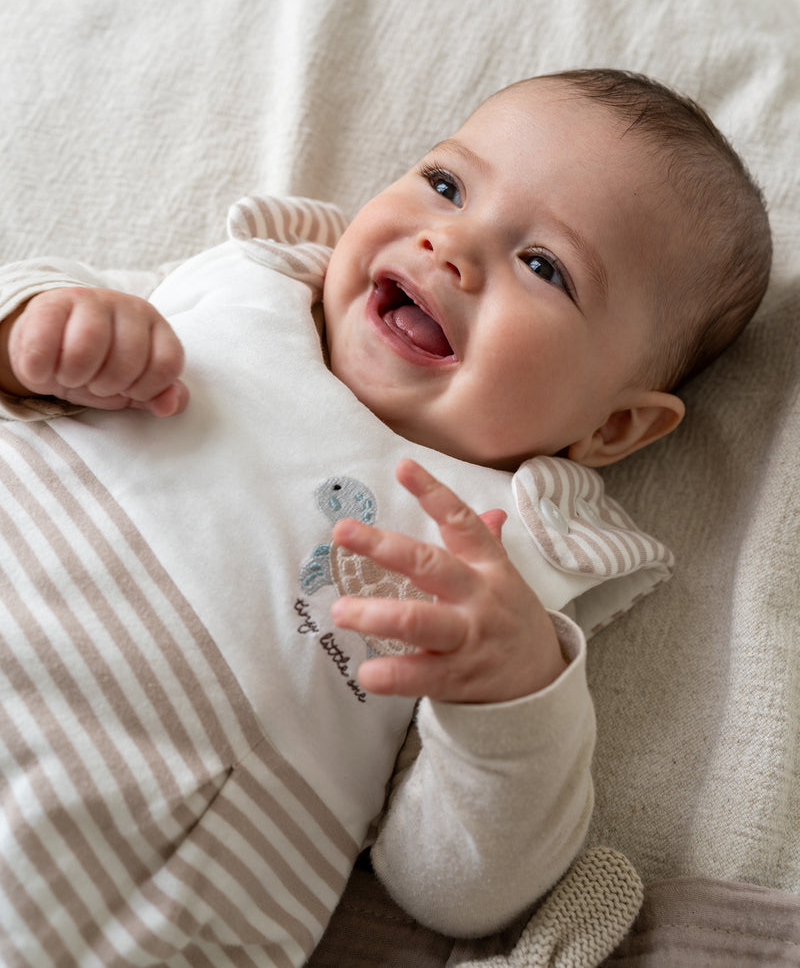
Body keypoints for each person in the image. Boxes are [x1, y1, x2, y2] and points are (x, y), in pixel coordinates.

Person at [0, 69, 770, 966]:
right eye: (447, 184)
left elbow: (451, 888)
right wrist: (41, 327)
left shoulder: (499, 564)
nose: (451, 243)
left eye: (544, 266)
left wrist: (513, 699)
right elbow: (30, 337)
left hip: (95, 879)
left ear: (613, 425)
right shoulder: (249, 290)